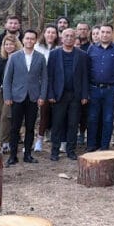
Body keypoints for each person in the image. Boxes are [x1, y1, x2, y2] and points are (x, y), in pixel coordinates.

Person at [3, 30, 48, 165]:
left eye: (32, 39)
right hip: (17, 96)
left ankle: (28, 154)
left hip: (33, 97)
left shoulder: (40, 57)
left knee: (30, 127)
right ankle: (12, 155)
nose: (29, 41)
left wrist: (42, 96)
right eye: (27, 38)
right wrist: (7, 96)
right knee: (15, 127)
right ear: (23, 40)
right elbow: (7, 79)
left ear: (35, 41)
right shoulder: (14, 57)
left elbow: (44, 79)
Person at [46, 28, 89, 161]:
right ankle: (54, 151)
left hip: (75, 95)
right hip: (59, 95)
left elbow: (85, 76)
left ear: (75, 38)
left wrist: (84, 95)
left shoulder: (82, 55)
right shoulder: (54, 54)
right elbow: (50, 76)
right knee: (57, 123)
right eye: (66, 36)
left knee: (73, 124)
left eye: (72, 36)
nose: (69, 38)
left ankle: (71, 150)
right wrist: (51, 94)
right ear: (61, 38)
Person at [86, 25, 114, 152]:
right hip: (94, 89)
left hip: (111, 89)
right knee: (92, 118)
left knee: (108, 118)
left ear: (112, 34)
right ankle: (92, 145)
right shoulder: (92, 48)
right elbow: (86, 70)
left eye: (108, 32)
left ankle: (104, 146)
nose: (104, 34)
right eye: (102, 32)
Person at [33, 25, 60, 152]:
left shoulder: (60, 48)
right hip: (40, 84)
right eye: (48, 32)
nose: (50, 35)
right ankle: (39, 140)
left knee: (57, 114)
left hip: (56, 85)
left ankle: (58, 140)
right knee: (43, 113)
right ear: (44, 34)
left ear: (56, 35)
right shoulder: (37, 47)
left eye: (53, 32)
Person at [0, 35, 19, 151]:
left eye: (11, 44)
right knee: (2, 117)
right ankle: (6, 141)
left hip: (14, 93)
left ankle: (2, 142)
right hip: (1, 92)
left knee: (7, 117)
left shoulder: (19, 59)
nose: (9, 46)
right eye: (6, 44)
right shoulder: (2, 60)